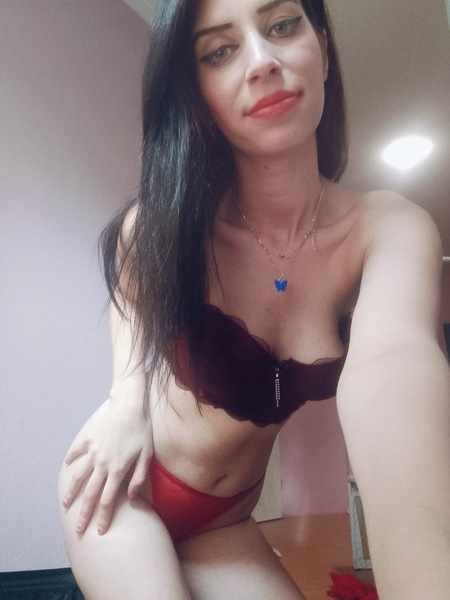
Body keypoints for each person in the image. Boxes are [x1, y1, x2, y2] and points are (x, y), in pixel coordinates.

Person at [58, 0, 450, 598]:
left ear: (322, 49)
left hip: (227, 519)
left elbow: (395, 371)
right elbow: (130, 296)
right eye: (220, 51)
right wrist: (124, 399)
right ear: (199, 97)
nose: (262, 61)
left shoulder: (388, 229)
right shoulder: (166, 226)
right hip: (122, 487)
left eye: (282, 25)